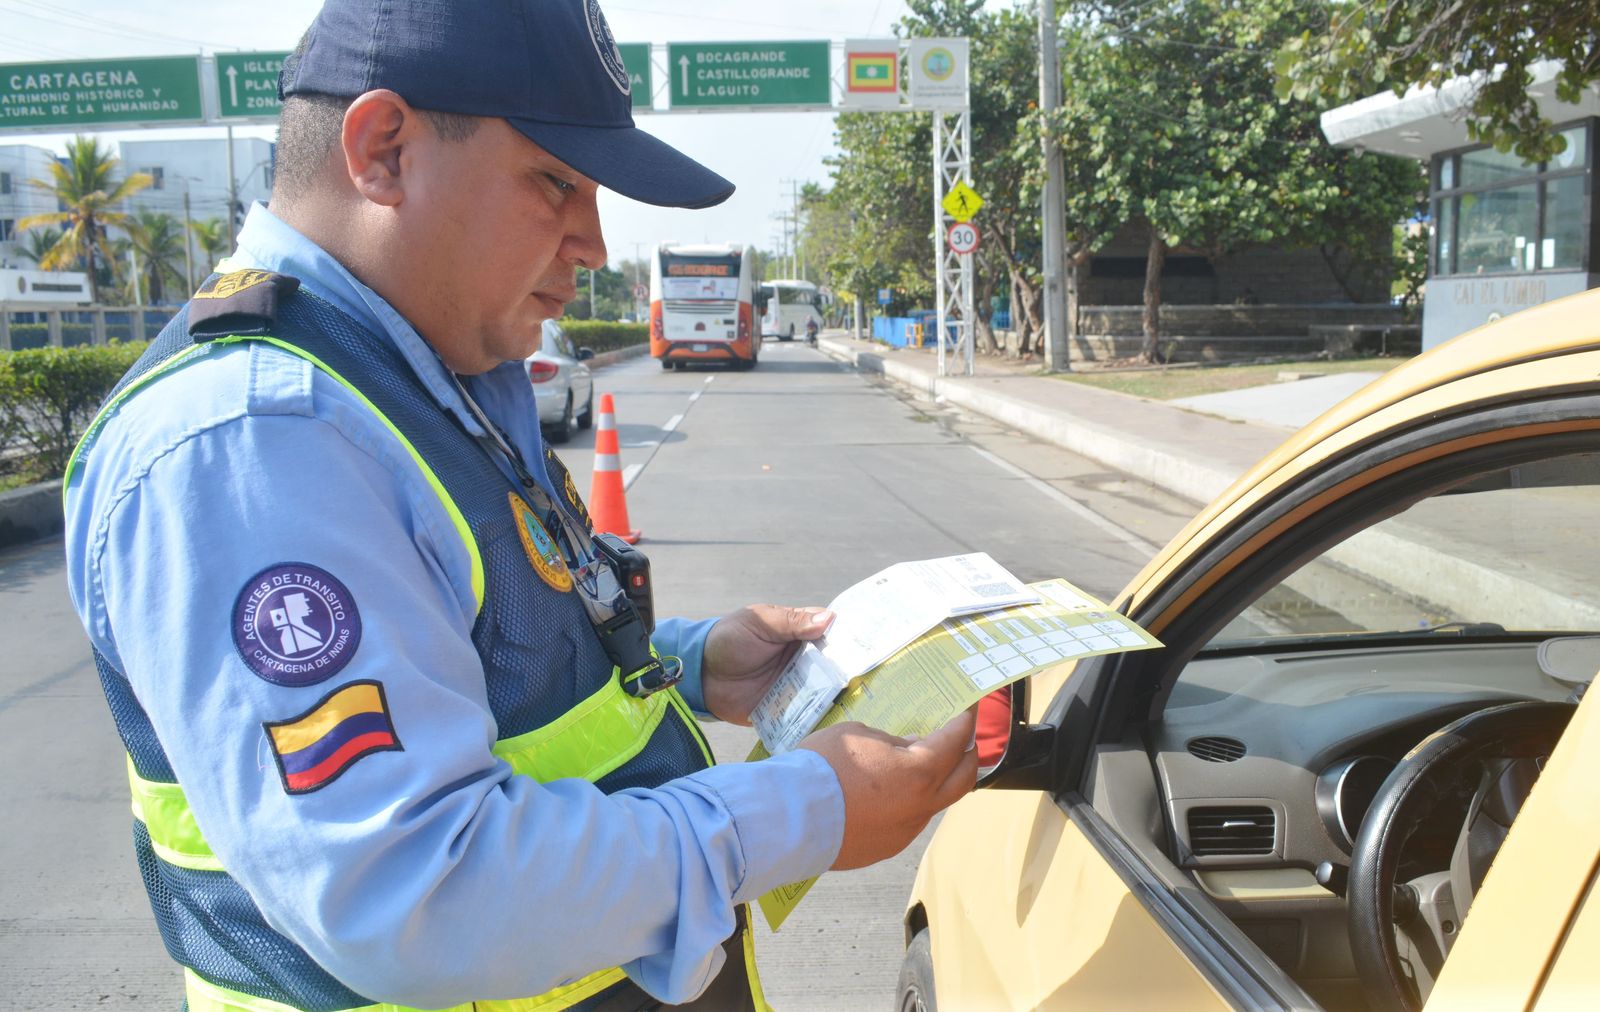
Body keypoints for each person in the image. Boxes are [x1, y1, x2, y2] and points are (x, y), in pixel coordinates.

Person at [61, 2, 979, 1010]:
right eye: (555, 182)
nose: (592, 242)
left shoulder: (423, 372)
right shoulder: (255, 440)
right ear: (382, 150)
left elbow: (469, 667)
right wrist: (808, 806)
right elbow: (417, 891)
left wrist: (686, 659)